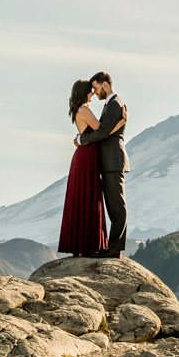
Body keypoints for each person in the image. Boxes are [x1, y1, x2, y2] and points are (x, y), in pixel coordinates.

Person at [75, 71, 129, 257]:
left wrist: (82, 139)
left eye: (96, 88)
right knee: (112, 205)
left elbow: (104, 131)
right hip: (108, 161)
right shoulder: (110, 104)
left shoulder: (115, 103)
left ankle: (114, 248)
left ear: (105, 85)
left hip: (113, 160)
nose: (95, 92)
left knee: (116, 205)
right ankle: (111, 246)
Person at [56, 78, 110, 256]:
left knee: (82, 196)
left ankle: (80, 244)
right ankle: (89, 245)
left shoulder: (79, 109)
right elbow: (101, 129)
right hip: (87, 157)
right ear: (84, 92)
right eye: (90, 90)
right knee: (89, 195)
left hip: (84, 156)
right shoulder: (85, 110)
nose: (93, 93)